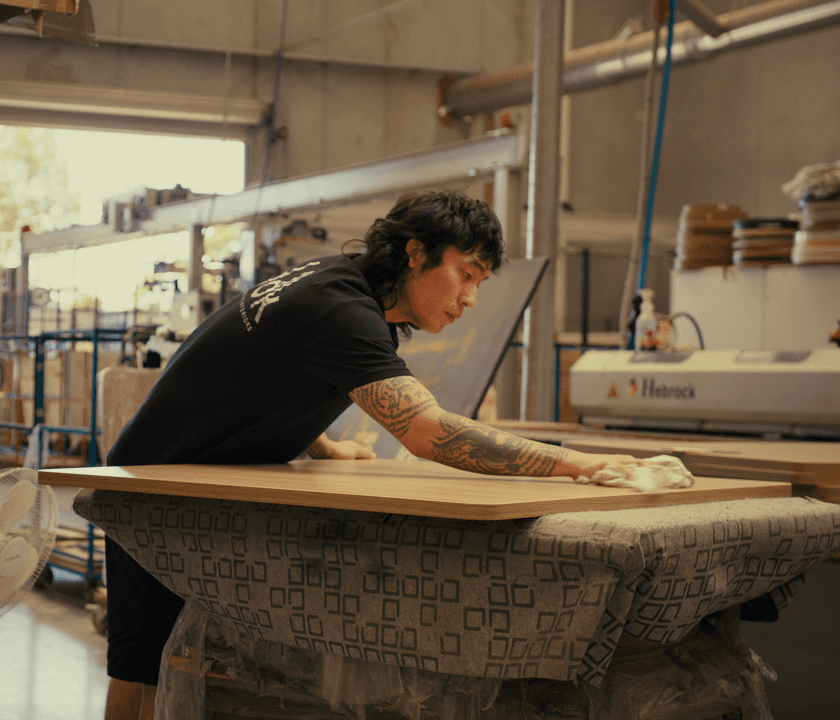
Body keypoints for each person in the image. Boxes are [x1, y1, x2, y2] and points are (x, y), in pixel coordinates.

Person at [102, 190, 638, 720]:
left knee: (177, 662)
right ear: (416, 252)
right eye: (467, 274)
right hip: (151, 486)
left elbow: (274, 371)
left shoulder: (338, 284)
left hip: (187, 478)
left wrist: (324, 445)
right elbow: (428, 432)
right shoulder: (341, 310)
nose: (470, 299)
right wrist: (577, 463)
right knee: (141, 668)